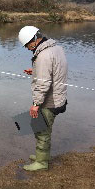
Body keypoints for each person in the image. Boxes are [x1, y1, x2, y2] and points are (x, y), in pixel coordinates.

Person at [18, 26, 68, 171]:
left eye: (27, 45)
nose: (27, 48)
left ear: (34, 40)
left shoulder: (43, 55)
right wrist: (36, 71)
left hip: (49, 100)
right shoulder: (56, 48)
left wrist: (35, 104)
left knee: (42, 131)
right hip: (58, 97)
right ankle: (42, 156)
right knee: (39, 126)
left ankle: (41, 163)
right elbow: (54, 69)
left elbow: (43, 84)